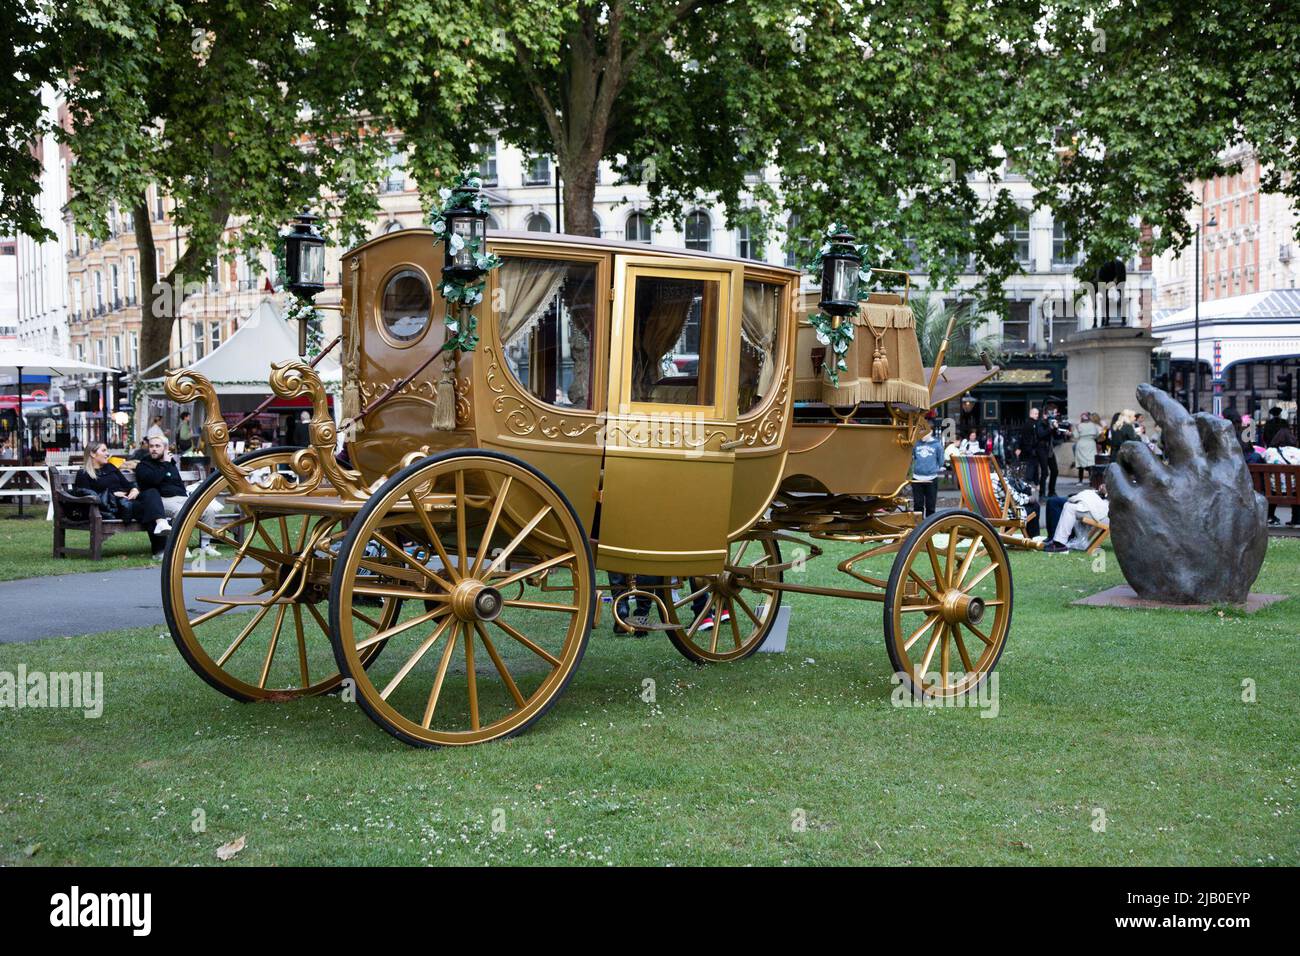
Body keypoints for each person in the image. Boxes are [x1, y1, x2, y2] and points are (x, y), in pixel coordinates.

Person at [74, 442, 172, 556]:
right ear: (92, 453)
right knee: (149, 509)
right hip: (109, 510)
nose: (107, 454)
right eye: (104, 450)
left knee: (152, 494)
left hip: (126, 504)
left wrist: (134, 489)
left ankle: (161, 525)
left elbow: (127, 485)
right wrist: (113, 494)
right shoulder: (83, 474)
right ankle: (160, 551)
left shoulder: (110, 467)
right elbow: (85, 495)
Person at [134, 435, 222, 559]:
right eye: (151, 446)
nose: (153, 449)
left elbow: (177, 484)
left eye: (157, 446)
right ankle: (180, 547)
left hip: (180, 498)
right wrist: (165, 463)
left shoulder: (171, 464)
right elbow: (153, 480)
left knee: (207, 510)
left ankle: (206, 545)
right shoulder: (144, 465)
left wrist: (186, 498)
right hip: (160, 500)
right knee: (180, 512)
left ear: (165, 448)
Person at [1043, 481, 1109, 552]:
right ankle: (1058, 541)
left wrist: (1107, 491)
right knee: (1068, 504)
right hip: (1101, 505)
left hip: (1108, 515)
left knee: (1070, 508)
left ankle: (1059, 543)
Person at [1263, 426, 1300, 527]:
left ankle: (1270, 517)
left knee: (1272, 485)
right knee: (1297, 487)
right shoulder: (1298, 452)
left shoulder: (1269, 452)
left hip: (1273, 489)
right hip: (1293, 489)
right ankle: (1296, 519)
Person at [910, 418, 945, 518]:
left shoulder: (937, 445)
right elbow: (913, 457)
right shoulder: (916, 443)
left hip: (931, 479)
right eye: (920, 431)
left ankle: (929, 527)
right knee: (918, 505)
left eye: (923, 431)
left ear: (931, 431)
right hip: (917, 479)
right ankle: (918, 527)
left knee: (931, 506)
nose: (921, 433)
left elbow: (941, 461)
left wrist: (933, 468)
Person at [1015, 406, 1053, 498]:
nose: (1037, 415)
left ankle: (1034, 485)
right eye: (1035, 414)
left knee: (1034, 467)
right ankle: (1032, 486)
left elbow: (1021, 437)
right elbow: (1027, 437)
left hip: (1029, 449)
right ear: (1031, 414)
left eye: (1037, 413)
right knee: (1032, 468)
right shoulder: (1033, 424)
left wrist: (1019, 447)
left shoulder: (1027, 424)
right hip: (1032, 449)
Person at [1073, 411, 1100, 481]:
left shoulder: (1079, 426)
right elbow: (1097, 435)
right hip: (1091, 444)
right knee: (1091, 462)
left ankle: (1080, 480)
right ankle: (1091, 480)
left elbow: (1076, 436)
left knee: (1080, 463)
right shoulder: (1094, 425)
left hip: (1081, 444)